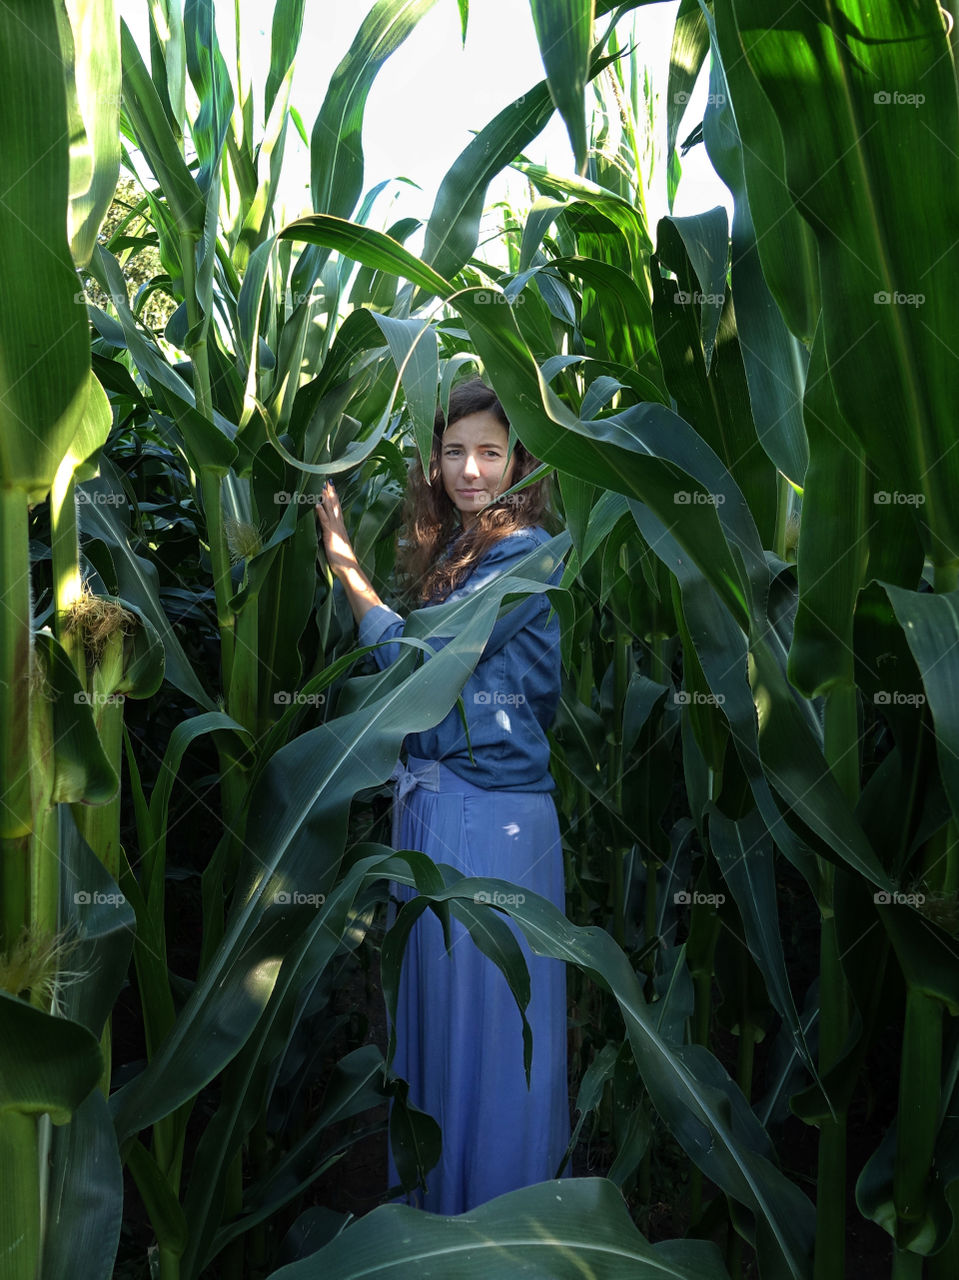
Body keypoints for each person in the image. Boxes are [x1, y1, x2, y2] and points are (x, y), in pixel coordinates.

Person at [315, 377, 569, 1215]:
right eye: (453, 451)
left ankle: (491, 1242)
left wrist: (347, 573)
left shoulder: (524, 552)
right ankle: (431, 1232)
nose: (470, 470)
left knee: (490, 1044)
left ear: (518, 460)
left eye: (489, 452)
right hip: (432, 812)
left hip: (487, 827)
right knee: (433, 1040)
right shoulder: (460, 548)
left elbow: (424, 676)